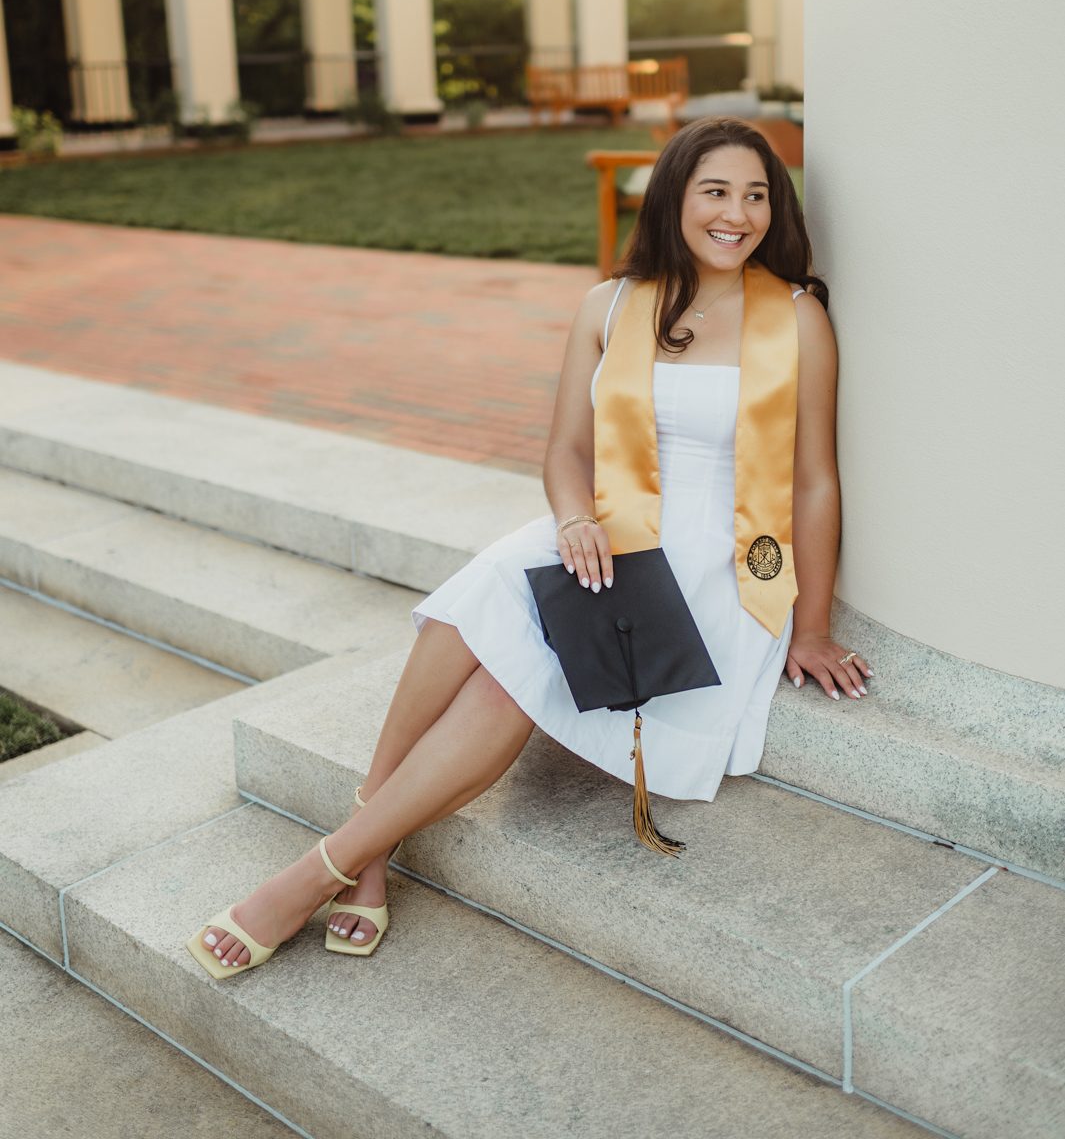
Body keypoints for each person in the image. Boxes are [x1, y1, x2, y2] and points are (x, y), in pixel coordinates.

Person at [186, 116, 869, 978]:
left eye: (757, 195)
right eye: (716, 192)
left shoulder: (796, 317)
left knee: (513, 675)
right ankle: (362, 851)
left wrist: (808, 628)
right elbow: (565, 454)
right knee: (479, 597)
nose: (738, 214)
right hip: (611, 528)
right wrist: (574, 518)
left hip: (720, 561)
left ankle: (318, 871)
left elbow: (814, 481)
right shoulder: (610, 304)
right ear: (674, 199)